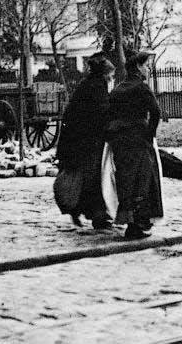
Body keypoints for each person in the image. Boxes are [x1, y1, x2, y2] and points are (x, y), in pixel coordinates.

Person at [105, 50, 164, 239]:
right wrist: (149, 134)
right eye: (146, 65)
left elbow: (108, 115)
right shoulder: (142, 88)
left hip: (119, 142)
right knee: (142, 181)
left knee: (125, 181)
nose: (148, 69)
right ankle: (137, 224)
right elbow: (155, 112)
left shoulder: (117, 90)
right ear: (138, 66)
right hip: (138, 140)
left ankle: (130, 221)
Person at [55, 53, 115, 230]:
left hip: (75, 141)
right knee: (93, 177)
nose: (112, 79)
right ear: (104, 74)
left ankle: (81, 211)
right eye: (110, 75)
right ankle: (97, 215)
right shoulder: (97, 88)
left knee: (83, 178)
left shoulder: (87, 85)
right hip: (86, 142)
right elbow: (101, 114)